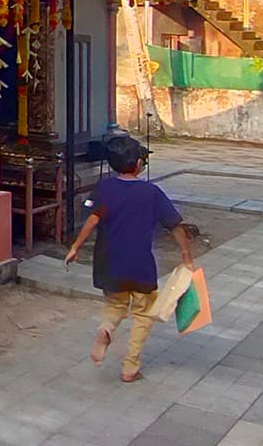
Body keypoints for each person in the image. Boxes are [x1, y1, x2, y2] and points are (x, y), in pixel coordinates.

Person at [64, 130, 194, 383]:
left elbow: (92, 220)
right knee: (144, 313)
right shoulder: (151, 192)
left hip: (108, 262)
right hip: (140, 264)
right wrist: (186, 256)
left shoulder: (105, 187)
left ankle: (106, 329)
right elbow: (175, 226)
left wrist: (76, 247)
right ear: (137, 164)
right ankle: (130, 366)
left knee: (115, 305)